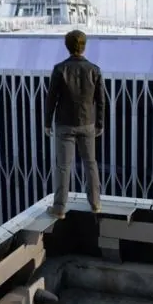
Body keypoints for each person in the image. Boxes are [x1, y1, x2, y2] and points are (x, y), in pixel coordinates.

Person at [44, 29, 105, 219]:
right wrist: (100, 123)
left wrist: (47, 122)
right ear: (84, 46)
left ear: (67, 46)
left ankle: (59, 208)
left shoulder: (59, 69)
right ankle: (95, 204)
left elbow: (51, 99)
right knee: (90, 163)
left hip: (64, 124)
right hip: (87, 123)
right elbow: (101, 100)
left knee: (63, 166)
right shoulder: (94, 70)